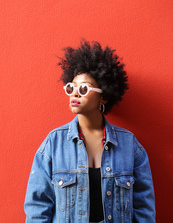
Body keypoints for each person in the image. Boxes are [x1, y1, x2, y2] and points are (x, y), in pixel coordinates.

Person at [24, 40, 155, 223]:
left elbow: (144, 210)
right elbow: (38, 208)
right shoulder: (54, 143)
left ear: (104, 97)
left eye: (83, 88)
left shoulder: (130, 146)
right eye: (71, 87)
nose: (75, 94)